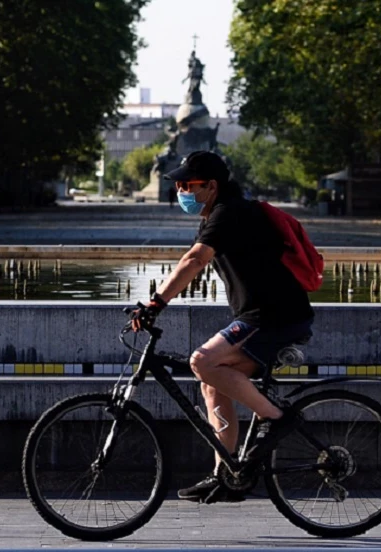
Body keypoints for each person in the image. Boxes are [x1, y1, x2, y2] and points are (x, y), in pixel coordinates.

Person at [129, 151, 314, 504]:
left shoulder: (229, 213)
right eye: (179, 184)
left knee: (202, 361)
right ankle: (227, 477)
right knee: (212, 383)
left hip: (274, 316)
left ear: (211, 186)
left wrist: (155, 303)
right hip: (265, 315)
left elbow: (195, 260)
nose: (180, 190)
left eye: (187, 184)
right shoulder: (220, 212)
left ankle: (275, 418)